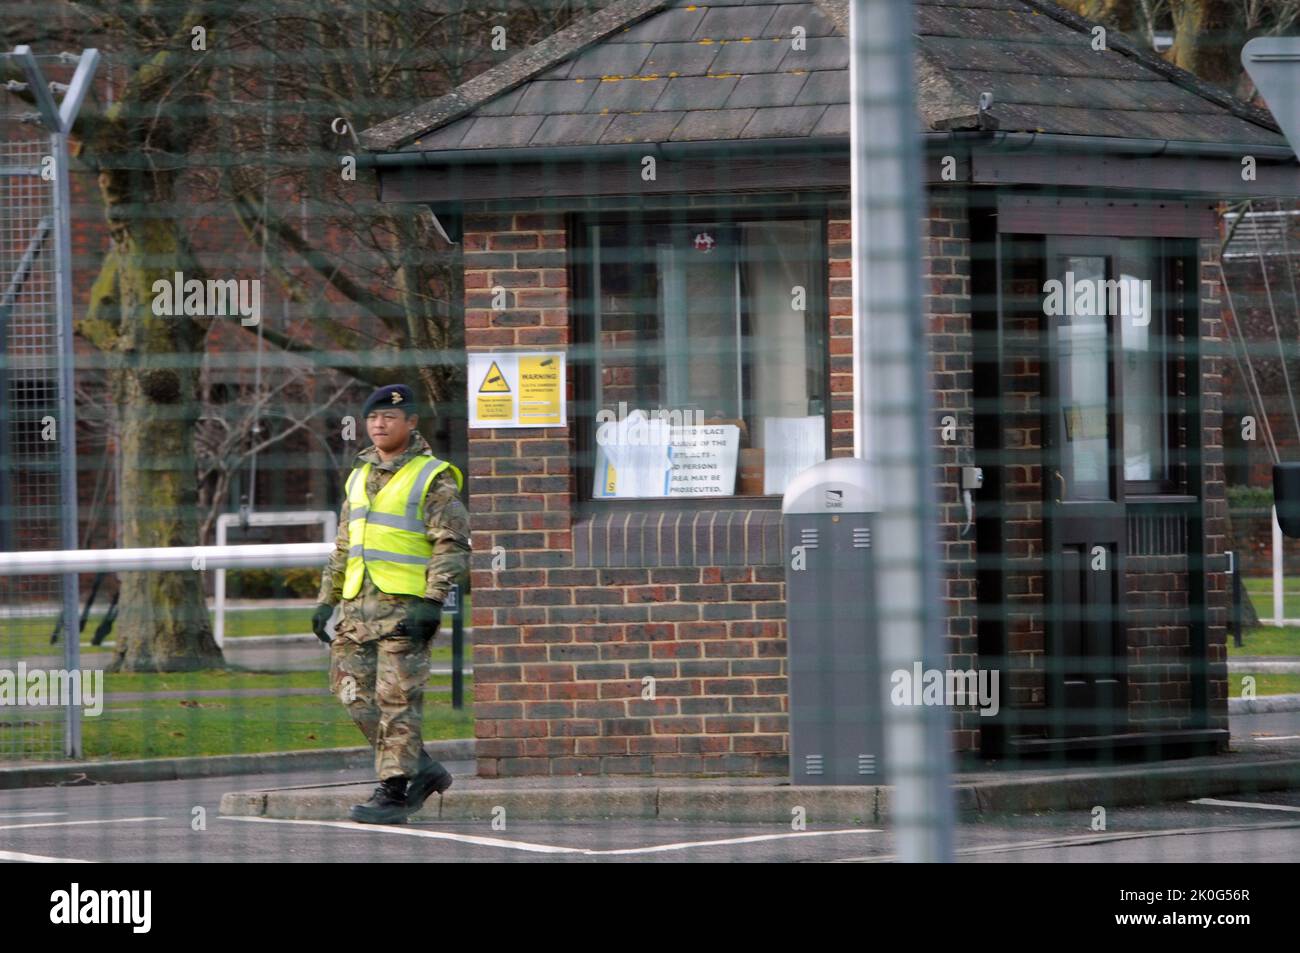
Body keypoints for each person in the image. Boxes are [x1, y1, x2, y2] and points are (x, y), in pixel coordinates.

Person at [312, 383, 470, 824]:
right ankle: (421, 768)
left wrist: (433, 600)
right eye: (373, 417)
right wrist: (326, 599)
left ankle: (396, 791)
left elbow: (452, 543)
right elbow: (344, 545)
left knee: (396, 699)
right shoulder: (359, 474)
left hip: (406, 608)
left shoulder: (432, 475)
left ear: (412, 422)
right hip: (356, 609)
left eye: (390, 417)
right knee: (351, 693)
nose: (380, 424)